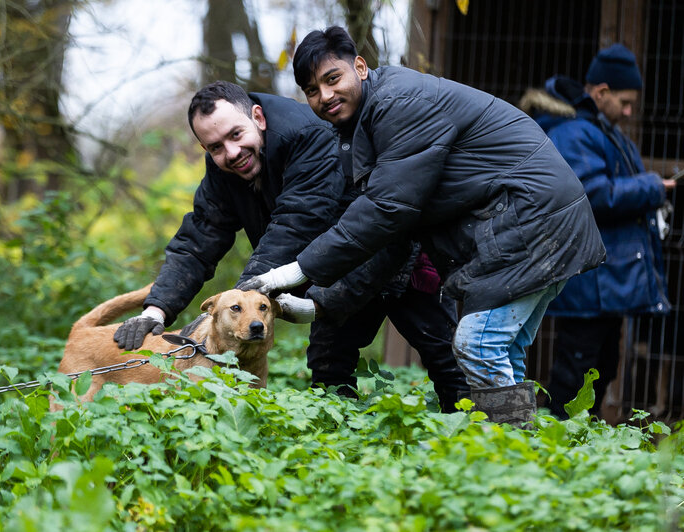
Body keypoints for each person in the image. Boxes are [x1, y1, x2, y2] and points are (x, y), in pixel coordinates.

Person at [239, 26, 606, 426]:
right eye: (312, 90)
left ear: (359, 67)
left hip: (534, 220)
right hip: (532, 221)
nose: (325, 96)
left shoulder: (400, 103)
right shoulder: (360, 129)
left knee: (476, 345)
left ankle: (512, 455)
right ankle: (520, 453)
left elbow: (384, 211)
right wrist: (320, 305)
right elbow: (391, 238)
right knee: (500, 350)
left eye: (333, 79)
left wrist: (296, 271)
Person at [113, 80, 469, 410]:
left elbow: (296, 223)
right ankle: (338, 457)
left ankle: (484, 441)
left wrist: (241, 301)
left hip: (391, 257)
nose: (231, 152)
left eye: (236, 134)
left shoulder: (306, 135)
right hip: (332, 272)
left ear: (257, 117)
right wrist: (155, 310)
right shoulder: (223, 171)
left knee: (446, 357)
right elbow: (198, 240)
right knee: (329, 366)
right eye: (216, 147)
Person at [519, 44, 674, 419]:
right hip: (588, 278)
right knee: (576, 372)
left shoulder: (600, 129)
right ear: (601, 91)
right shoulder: (575, 131)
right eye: (624, 101)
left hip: (603, 279)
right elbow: (592, 193)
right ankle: (555, 443)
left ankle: (574, 444)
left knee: (598, 366)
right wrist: (653, 188)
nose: (628, 110)